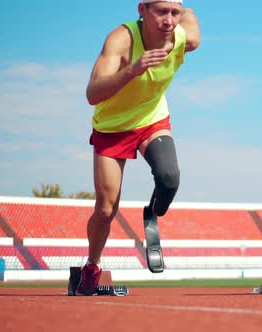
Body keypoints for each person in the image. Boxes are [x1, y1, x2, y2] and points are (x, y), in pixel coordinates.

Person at [75, 0, 200, 295]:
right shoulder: (121, 39)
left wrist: (187, 11)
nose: (168, 20)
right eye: (161, 12)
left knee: (169, 178)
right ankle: (92, 267)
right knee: (106, 209)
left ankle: (152, 213)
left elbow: (193, 29)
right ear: (142, 10)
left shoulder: (183, 35)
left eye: (174, 13)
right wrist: (132, 70)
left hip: (151, 119)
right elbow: (92, 93)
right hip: (112, 127)